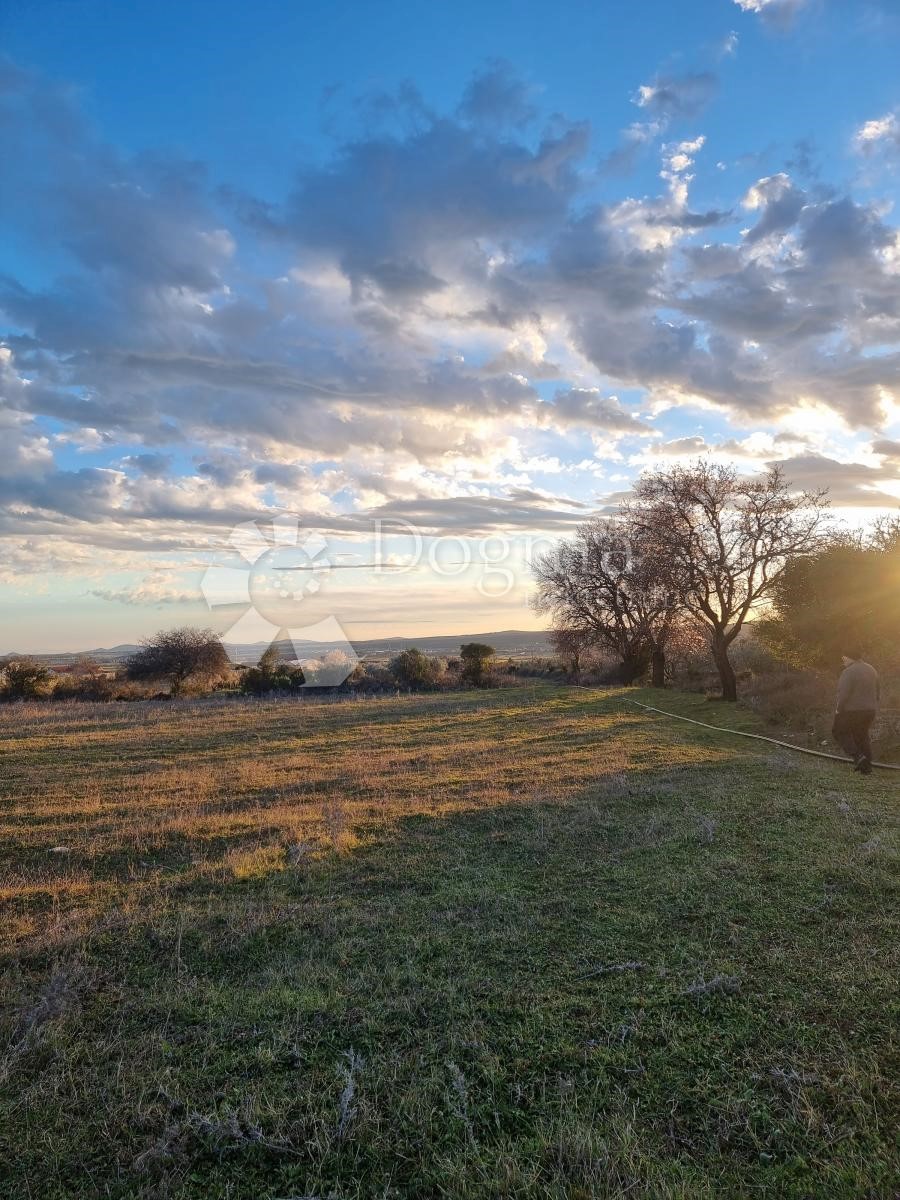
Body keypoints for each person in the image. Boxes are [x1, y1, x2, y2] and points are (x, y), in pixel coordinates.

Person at [832, 649, 879, 775]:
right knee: (862, 735)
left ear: (850, 657)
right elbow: (877, 691)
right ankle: (866, 767)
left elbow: (844, 694)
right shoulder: (871, 669)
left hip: (852, 710)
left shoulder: (848, 672)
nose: (843, 661)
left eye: (844, 658)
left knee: (838, 731)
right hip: (870, 710)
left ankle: (858, 757)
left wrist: (839, 709)